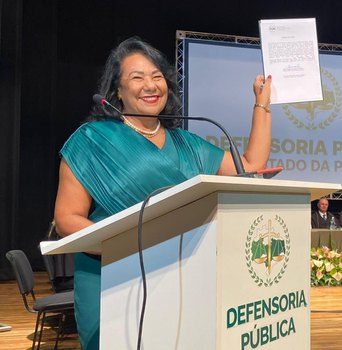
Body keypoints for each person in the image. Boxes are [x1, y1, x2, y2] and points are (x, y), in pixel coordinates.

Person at [53, 37, 272, 350]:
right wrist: (133, 245)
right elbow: (66, 219)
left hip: (179, 278)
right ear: (117, 90)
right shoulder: (92, 140)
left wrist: (262, 103)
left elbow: (250, 165)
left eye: (157, 77)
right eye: (137, 77)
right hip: (109, 277)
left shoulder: (187, 143)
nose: (150, 85)